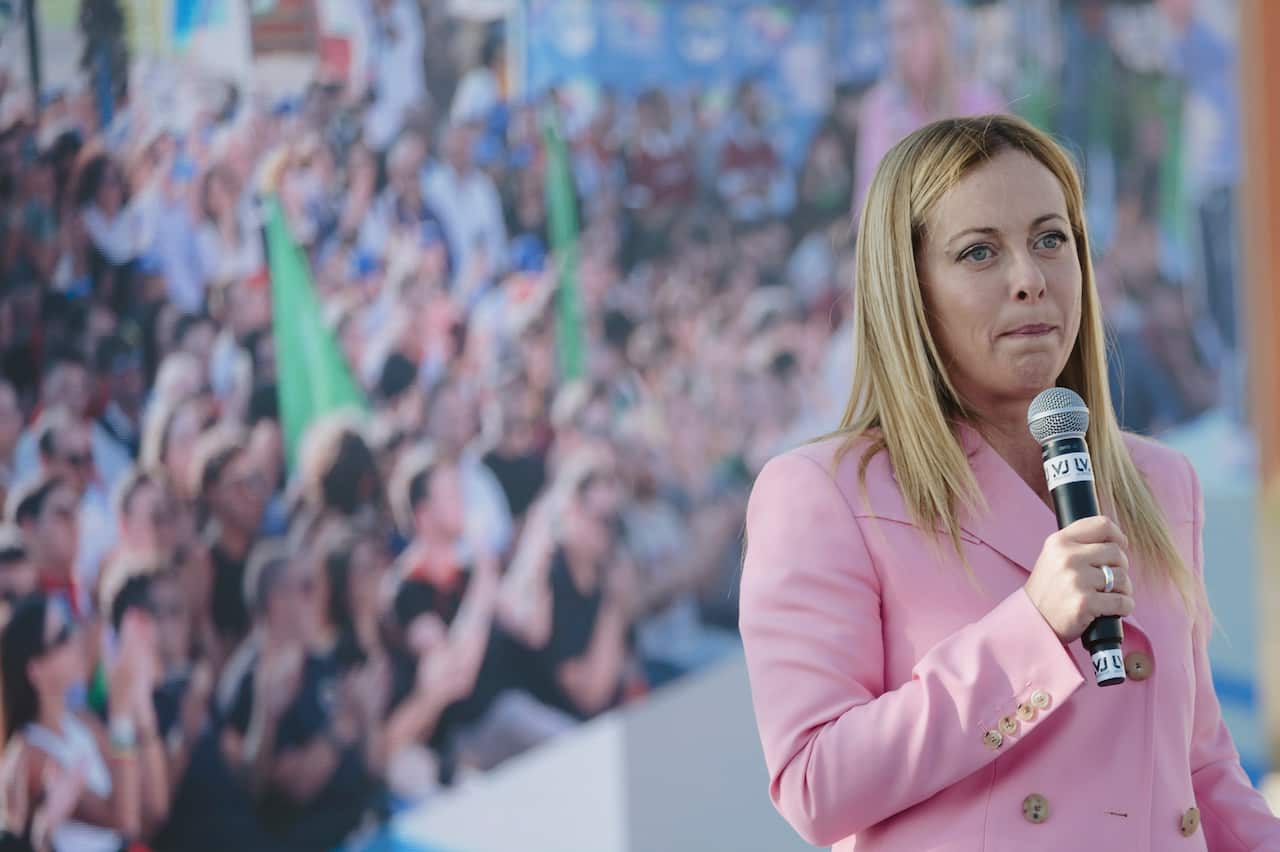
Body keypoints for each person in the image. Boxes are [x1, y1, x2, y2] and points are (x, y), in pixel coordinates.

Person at [738, 114, 1280, 850]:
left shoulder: (1162, 481)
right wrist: (1031, 628)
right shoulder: (823, 493)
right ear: (910, 289)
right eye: (980, 252)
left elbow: (1202, 771)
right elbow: (814, 784)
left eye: (1050, 239)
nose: (1029, 280)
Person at [0, 593, 168, 851]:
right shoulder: (29, 754)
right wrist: (120, 713)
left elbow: (154, 806)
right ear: (36, 669)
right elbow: (123, 820)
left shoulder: (83, 721)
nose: (77, 640)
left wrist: (141, 708)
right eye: (63, 635)